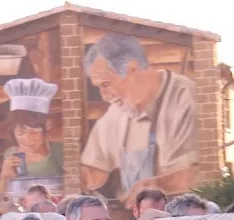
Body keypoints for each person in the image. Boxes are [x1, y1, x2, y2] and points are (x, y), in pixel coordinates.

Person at [81, 33, 197, 207]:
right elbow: (94, 172)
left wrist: (157, 186)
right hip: (135, 218)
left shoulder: (184, 96)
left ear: (133, 69)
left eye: (106, 84)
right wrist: (79, 179)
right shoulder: (118, 111)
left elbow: (202, 174)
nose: (104, 97)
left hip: (179, 217)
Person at [0, 78, 63, 195]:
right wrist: (4, 177)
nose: (27, 140)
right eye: (20, 133)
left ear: (47, 126)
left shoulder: (58, 150)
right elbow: (0, 195)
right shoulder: (11, 153)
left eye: (34, 132)